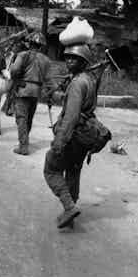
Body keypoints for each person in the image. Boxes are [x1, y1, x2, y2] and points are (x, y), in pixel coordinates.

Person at [43, 44, 95, 229]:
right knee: (73, 172)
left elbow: (71, 116)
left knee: (51, 169)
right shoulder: (88, 79)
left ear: (83, 62)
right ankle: (70, 215)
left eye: (74, 58)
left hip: (72, 136)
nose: (69, 61)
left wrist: (59, 141)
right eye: (68, 57)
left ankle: (69, 207)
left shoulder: (77, 83)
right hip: (83, 136)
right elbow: (75, 103)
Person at [9, 32, 51, 155]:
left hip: (23, 89)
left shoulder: (23, 55)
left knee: (21, 117)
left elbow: (15, 70)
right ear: (41, 45)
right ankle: (25, 140)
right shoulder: (46, 60)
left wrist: (16, 79)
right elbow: (48, 79)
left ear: (30, 43)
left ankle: (23, 146)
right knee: (29, 118)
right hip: (36, 91)